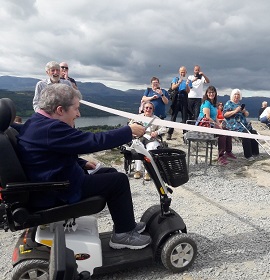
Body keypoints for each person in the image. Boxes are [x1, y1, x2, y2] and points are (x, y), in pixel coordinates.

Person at [17, 83, 151, 250]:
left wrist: (81, 163)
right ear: (60, 110)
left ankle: (126, 224)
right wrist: (128, 131)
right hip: (58, 190)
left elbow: (50, 154)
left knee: (108, 172)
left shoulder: (37, 122)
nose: (78, 114)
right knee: (119, 180)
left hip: (54, 181)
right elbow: (92, 141)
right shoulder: (50, 128)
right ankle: (123, 235)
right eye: (76, 109)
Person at [198, 86, 236, 165]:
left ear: (215, 93)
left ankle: (228, 151)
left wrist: (219, 124)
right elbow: (207, 117)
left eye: (213, 92)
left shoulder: (213, 104)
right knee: (221, 134)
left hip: (211, 124)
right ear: (207, 93)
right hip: (204, 124)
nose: (211, 94)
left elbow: (215, 117)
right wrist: (217, 126)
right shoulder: (206, 103)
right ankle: (220, 156)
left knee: (227, 131)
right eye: (209, 92)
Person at [130, 102, 167, 180]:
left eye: (150, 108)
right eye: (146, 108)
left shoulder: (156, 119)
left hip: (151, 138)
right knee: (138, 147)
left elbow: (164, 128)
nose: (148, 109)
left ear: (153, 110)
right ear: (143, 109)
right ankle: (138, 170)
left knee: (151, 148)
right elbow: (130, 125)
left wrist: (157, 132)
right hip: (139, 137)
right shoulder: (137, 117)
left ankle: (148, 172)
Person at [223, 89, 259, 161]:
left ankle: (255, 153)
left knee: (253, 132)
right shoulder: (228, 103)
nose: (236, 96)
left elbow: (246, 114)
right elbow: (225, 114)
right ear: (232, 95)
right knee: (245, 133)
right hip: (233, 124)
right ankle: (248, 155)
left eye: (238, 94)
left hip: (242, 124)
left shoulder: (239, 105)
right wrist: (235, 111)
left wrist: (244, 111)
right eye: (235, 94)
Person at [167, 66, 192, 140]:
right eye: (181, 71)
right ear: (179, 72)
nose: (182, 73)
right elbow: (172, 87)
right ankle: (169, 133)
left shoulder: (188, 80)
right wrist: (178, 83)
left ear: (186, 72)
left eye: (184, 72)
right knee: (173, 116)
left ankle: (185, 134)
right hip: (177, 97)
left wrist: (187, 84)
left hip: (184, 98)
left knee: (184, 117)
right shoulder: (176, 79)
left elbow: (188, 91)